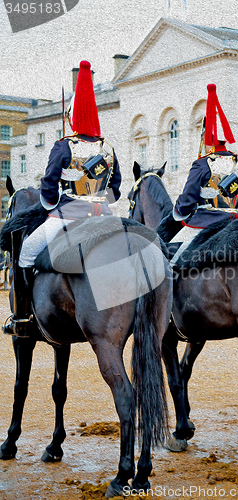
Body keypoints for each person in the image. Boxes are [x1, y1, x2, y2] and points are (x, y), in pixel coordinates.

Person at [3, 60, 121, 337]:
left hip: (66, 216)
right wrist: (99, 202)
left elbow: (48, 184)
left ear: (72, 119)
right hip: (104, 217)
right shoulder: (108, 148)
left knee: (26, 253)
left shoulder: (64, 145)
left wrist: (53, 205)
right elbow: (116, 186)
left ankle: (22, 318)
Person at [169, 84, 238, 262]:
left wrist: (179, 211)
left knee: (168, 259)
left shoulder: (203, 164)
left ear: (208, 137)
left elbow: (186, 202)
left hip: (207, 223)